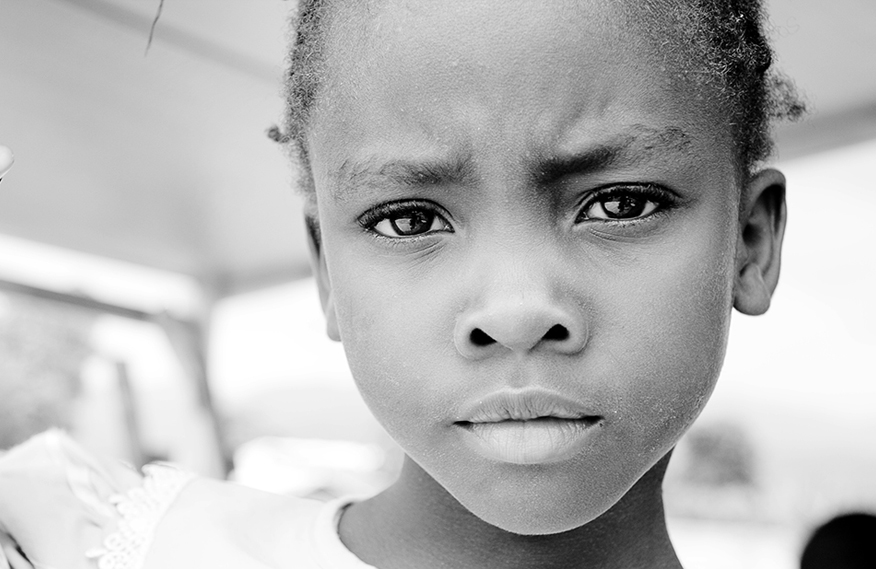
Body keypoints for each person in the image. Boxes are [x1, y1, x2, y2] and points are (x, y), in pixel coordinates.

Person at [0, 0, 804, 567]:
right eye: (410, 219)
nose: (516, 310)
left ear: (750, 241)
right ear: (325, 272)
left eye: (620, 203)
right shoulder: (114, 548)